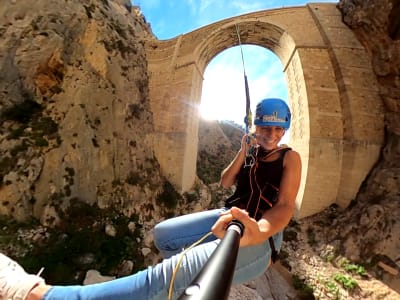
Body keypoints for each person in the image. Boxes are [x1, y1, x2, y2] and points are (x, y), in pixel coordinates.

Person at [0, 98, 301, 300]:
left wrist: (259, 231)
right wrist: (243, 150)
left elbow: (285, 205)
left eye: (277, 129)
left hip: (260, 239)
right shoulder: (251, 150)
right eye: (265, 127)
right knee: (163, 235)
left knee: (163, 276)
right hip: (229, 217)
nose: (271, 134)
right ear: (256, 126)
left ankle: (40, 294)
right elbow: (225, 180)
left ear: (284, 129)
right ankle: (173, 281)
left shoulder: (290, 158)